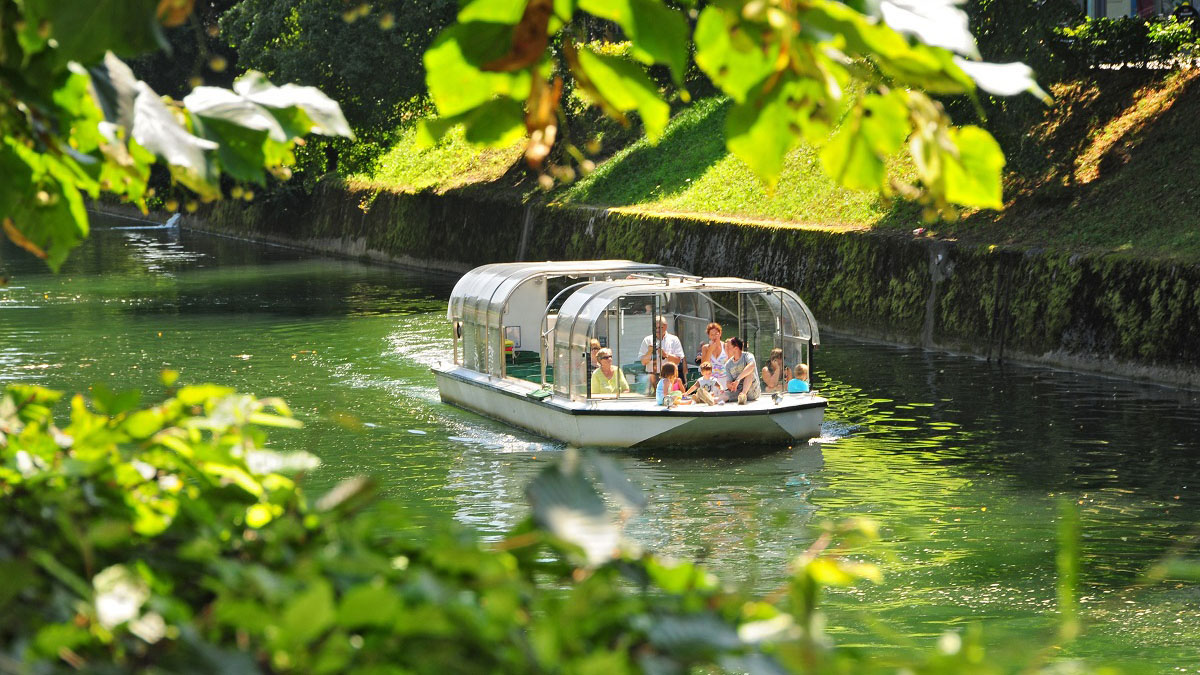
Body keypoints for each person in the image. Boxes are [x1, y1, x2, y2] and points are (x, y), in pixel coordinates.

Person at [640, 315, 684, 391]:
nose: (657, 330)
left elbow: (678, 360)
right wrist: (650, 351)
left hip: (670, 376)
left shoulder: (674, 339)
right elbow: (643, 362)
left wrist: (666, 355)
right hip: (652, 376)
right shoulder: (647, 340)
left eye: (660, 327)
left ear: (665, 326)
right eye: (655, 328)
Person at [723, 337, 760, 404]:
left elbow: (751, 366)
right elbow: (728, 381)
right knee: (722, 395)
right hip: (737, 391)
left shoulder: (748, 356)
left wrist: (738, 379)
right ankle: (708, 398)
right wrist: (730, 385)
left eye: (728, 347)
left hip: (752, 391)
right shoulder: (728, 364)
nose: (725, 350)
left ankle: (743, 395)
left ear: (736, 348)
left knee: (750, 371)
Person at [698, 322, 730, 388]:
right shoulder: (705, 348)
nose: (714, 337)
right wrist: (710, 350)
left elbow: (731, 363)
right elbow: (704, 365)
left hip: (725, 380)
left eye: (716, 334)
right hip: (711, 380)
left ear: (720, 334)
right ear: (709, 336)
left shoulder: (726, 346)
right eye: (712, 335)